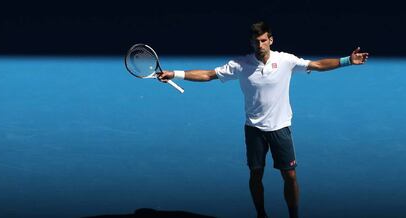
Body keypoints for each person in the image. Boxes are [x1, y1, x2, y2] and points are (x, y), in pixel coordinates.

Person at [157, 21, 369, 218]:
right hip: (254, 130)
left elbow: (317, 65)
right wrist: (175, 73)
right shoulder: (240, 64)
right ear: (251, 42)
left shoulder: (286, 60)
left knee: (291, 176)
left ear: (271, 40)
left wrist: (347, 61)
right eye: (256, 41)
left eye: (263, 40)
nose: (260, 45)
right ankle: (261, 215)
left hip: (280, 128)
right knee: (256, 175)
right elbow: (208, 75)